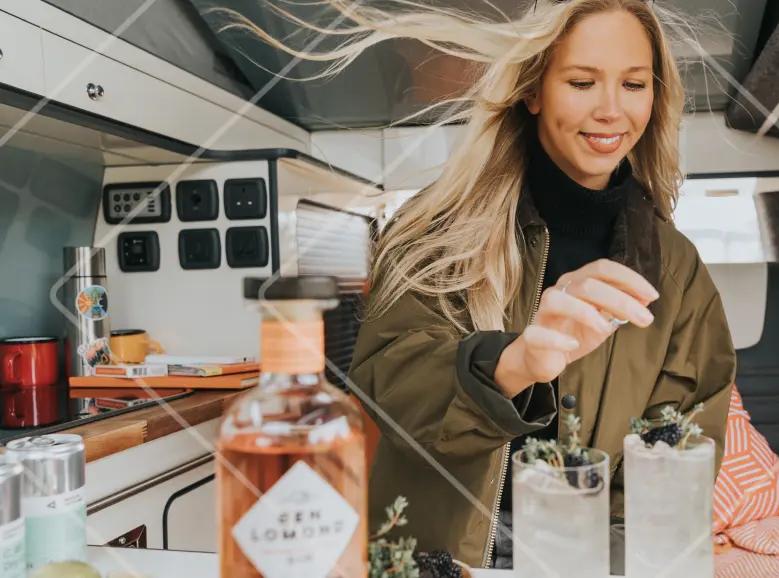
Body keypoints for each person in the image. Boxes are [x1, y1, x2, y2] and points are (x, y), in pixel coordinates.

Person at [235, 0, 737, 569]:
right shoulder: (436, 231)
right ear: (533, 91)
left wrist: (599, 560)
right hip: (437, 556)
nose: (611, 109)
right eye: (581, 82)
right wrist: (512, 364)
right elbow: (387, 387)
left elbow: (676, 449)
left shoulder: (677, 273)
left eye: (634, 83)